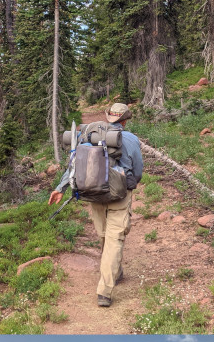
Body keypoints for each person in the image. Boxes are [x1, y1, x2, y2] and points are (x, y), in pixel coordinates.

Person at [50, 102, 145, 307]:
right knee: (114, 239)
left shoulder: (89, 135)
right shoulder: (129, 138)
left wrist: (60, 188)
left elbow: (74, 165)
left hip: (94, 194)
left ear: (108, 117)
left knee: (104, 237)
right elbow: (137, 170)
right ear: (125, 119)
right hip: (119, 195)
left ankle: (114, 271)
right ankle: (105, 291)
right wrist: (131, 184)